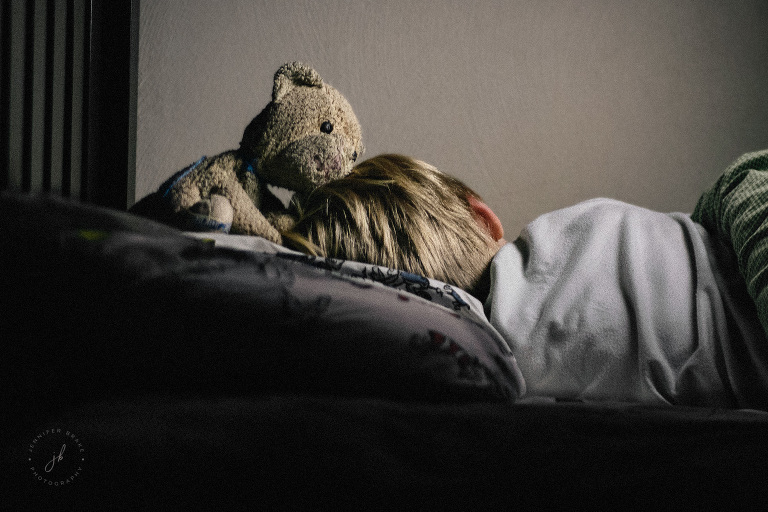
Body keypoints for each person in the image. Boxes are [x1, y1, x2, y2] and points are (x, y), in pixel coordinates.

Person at [281, 151, 768, 410]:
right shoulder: (573, 227)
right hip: (731, 246)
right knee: (737, 186)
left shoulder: (490, 372)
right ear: (484, 218)